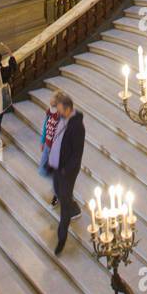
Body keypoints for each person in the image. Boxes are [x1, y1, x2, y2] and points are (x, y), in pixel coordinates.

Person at [48, 93, 84, 255]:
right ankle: (72, 206)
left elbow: (76, 155)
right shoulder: (64, 118)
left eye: (61, 110)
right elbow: (52, 116)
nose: (59, 112)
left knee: (64, 203)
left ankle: (61, 238)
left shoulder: (77, 127)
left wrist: (65, 171)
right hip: (57, 167)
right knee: (60, 194)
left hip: (66, 172)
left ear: (68, 109)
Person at [39, 91, 63, 187]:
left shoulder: (60, 116)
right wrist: (42, 141)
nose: (51, 107)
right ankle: (46, 170)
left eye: (54, 105)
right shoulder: (49, 112)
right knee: (43, 165)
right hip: (48, 143)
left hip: (55, 146)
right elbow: (45, 126)